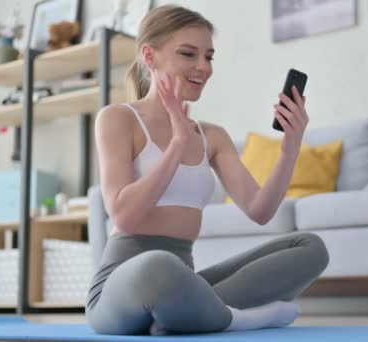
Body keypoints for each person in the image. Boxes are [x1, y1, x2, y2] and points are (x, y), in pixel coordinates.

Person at [85, 4, 329, 336]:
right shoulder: (118, 119)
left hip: (182, 279)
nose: (203, 67)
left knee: (310, 247)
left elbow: (260, 210)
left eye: (209, 57)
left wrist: (290, 147)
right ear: (149, 56)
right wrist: (176, 143)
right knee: (159, 266)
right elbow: (124, 216)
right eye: (189, 54)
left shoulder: (212, 136)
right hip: (127, 283)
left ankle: (188, 313)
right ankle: (233, 318)